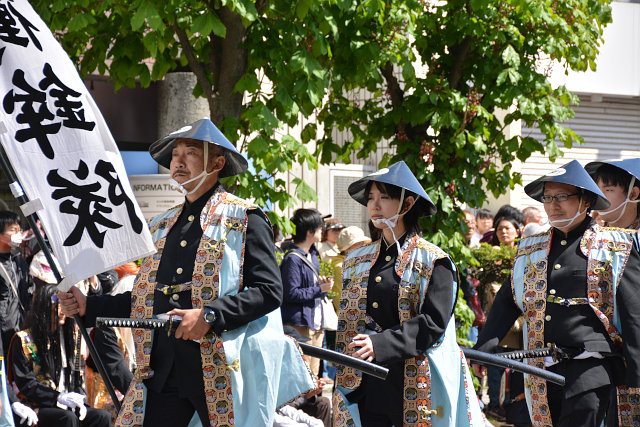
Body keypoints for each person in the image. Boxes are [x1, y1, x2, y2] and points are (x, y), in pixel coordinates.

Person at [58, 118, 315, 426]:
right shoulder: (162, 224)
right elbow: (147, 299)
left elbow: (269, 291)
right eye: (175, 154)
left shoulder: (244, 217)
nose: (177, 161)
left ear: (217, 162)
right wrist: (91, 305)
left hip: (221, 371)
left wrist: (209, 315)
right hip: (164, 368)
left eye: (189, 153)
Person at [473, 160, 640, 427]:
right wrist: (483, 349)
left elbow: (633, 315)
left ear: (585, 201)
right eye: (548, 197)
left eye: (563, 196)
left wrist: (636, 379)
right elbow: (508, 299)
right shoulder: (531, 247)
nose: (553, 204)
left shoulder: (615, 246)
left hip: (590, 369)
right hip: (539, 369)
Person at [332, 161, 483, 426]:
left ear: (408, 204)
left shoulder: (434, 260)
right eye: (370, 198)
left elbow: (433, 322)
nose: (374, 206)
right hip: (363, 382)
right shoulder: (356, 258)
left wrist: (379, 344)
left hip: (411, 381)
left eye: (384, 198)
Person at [8, 284, 111, 427]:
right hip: (37, 405)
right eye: (57, 306)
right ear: (44, 309)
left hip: (65, 401)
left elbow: (76, 379)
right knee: (67, 418)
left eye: (63, 306)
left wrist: (81, 403)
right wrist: (58, 397)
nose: (62, 311)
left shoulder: (70, 339)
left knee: (102, 416)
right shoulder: (24, 340)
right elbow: (27, 384)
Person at [585, 158, 640, 426]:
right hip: (608, 360)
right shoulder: (594, 239)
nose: (600, 198)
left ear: (633, 193)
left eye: (607, 190)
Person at [281, 208, 334, 377]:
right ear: (310, 231)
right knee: (300, 377)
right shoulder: (293, 259)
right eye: (320, 228)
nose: (322, 231)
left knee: (312, 377)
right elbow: (291, 293)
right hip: (299, 325)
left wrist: (322, 288)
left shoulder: (312, 255)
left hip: (316, 324)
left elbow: (311, 292)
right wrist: (320, 289)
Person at [0, 211, 34, 359]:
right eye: (13, 230)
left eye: (19, 229)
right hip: (3, 334)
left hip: (20, 331)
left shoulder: (19, 261)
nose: (18, 234)